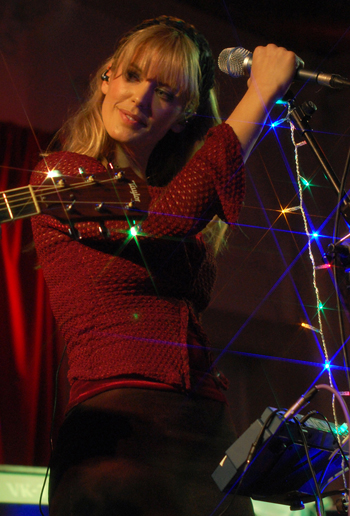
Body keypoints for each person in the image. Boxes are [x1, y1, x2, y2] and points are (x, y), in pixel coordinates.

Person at [30, 15, 296, 516]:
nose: (140, 98)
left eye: (166, 92)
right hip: (119, 431)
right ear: (107, 77)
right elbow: (166, 217)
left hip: (206, 430)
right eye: (132, 76)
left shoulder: (179, 191)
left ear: (182, 115)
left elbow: (177, 203)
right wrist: (258, 95)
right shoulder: (62, 177)